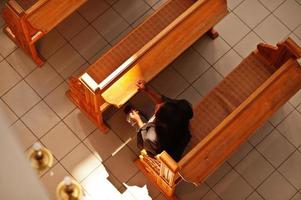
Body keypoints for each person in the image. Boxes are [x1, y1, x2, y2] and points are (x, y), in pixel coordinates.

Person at [128, 80, 193, 161]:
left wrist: (138, 120)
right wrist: (146, 89)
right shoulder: (179, 114)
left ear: (159, 122)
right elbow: (163, 101)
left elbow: (145, 136)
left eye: (157, 109)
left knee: (148, 135)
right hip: (175, 138)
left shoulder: (153, 137)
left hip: (166, 154)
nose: (157, 104)